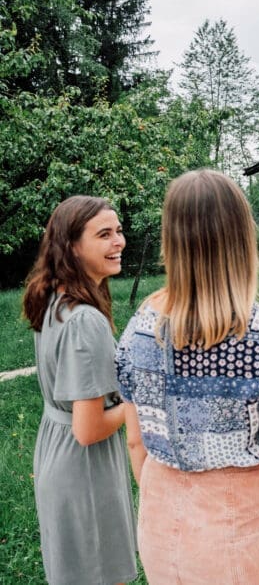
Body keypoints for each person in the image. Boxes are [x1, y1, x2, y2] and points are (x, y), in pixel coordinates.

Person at [116, 169, 259, 584]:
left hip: (160, 522)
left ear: (171, 240)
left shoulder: (138, 330)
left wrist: (171, 498)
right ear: (241, 238)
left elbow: (135, 440)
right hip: (244, 527)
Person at [22, 196, 138, 585]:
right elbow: (88, 430)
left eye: (118, 231)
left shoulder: (54, 297)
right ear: (71, 247)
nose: (118, 241)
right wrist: (141, 399)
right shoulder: (85, 319)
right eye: (104, 235)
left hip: (57, 451)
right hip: (83, 469)